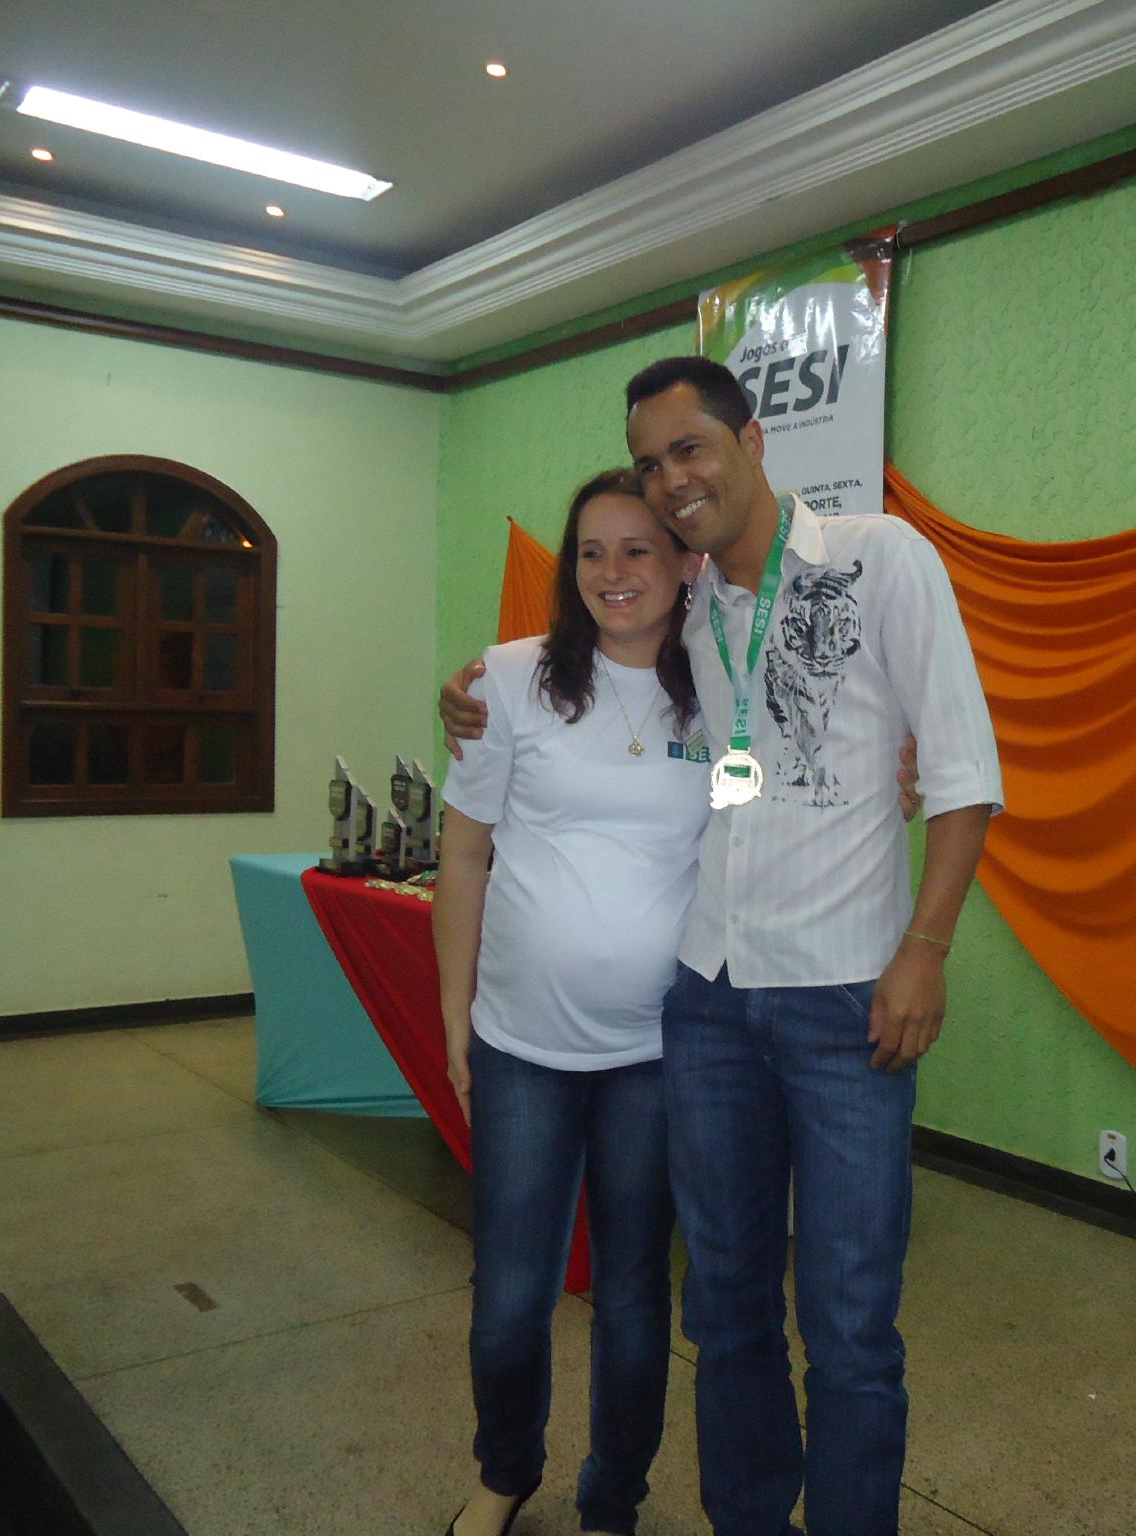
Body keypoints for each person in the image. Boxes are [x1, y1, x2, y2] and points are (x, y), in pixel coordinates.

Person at [445, 357, 1002, 1535]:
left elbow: (961, 771)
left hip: (844, 998)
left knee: (848, 1318)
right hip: (703, 1003)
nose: (670, 479)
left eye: (688, 448)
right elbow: (619, 705)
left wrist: (926, 945)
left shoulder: (881, 558)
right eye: (650, 463)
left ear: (750, 440)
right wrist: (473, 696)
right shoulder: (690, 610)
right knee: (726, 1309)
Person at [433, 467, 707, 1536]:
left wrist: (895, 773)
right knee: (511, 1294)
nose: (612, 572)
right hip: (522, 1049)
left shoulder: (719, 693)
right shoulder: (510, 681)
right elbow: (464, 857)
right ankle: (504, 1473)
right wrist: (454, 1022)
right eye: (590, 552)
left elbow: (759, 827)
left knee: (633, 1295)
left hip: (657, 1054)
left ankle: (613, 1496)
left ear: (682, 563)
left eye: (637, 548)